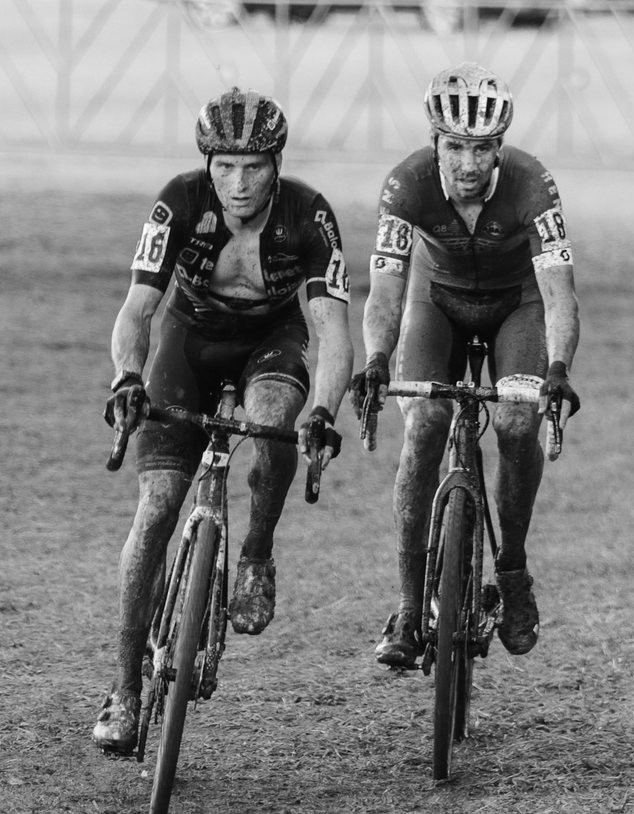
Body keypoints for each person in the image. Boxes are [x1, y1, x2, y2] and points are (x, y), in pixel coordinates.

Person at [92, 88, 353, 753]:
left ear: (277, 164)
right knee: (155, 511)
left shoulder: (309, 215)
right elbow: (138, 308)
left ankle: (257, 554)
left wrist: (323, 409)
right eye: (225, 165)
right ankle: (123, 691)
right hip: (189, 339)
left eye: (255, 167)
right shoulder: (178, 201)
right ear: (206, 161)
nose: (238, 183)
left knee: (274, 423)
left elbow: (331, 328)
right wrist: (126, 374)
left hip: (272, 341)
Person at [353, 62, 580, 668]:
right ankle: (407, 605)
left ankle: (512, 571)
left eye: (482, 148)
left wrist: (557, 367)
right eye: (455, 147)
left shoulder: (535, 185)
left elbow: (558, 294)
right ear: (436, 143)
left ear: (499, 147)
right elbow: (385, 290)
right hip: (439, 303)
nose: (469, 164)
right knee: (424, 424)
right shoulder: (406, 187)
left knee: (512, 424)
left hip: (518, 307)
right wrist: (377, 357)